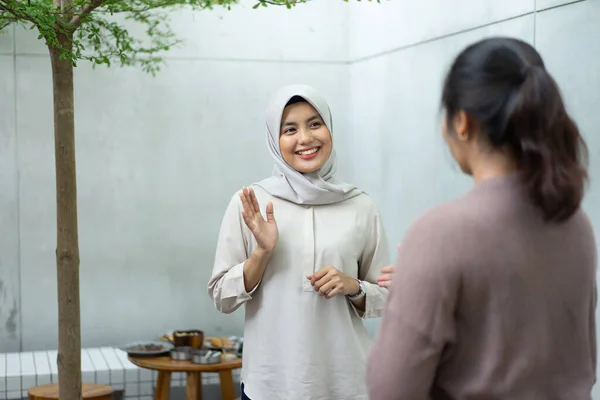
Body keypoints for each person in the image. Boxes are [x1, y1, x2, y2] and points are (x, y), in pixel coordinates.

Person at [367, 37, 597, 399]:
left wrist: (414, 297)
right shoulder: (575, 222)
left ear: (461, 122)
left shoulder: (440, 234)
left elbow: (390, 389)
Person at [208, 84, 390, 400]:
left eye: (315, 124)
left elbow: (388, 297)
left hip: (346, 383)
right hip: (271, 383)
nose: (305, 138)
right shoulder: (250, 203)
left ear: (329, 129)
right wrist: (262, 253)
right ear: (274, 140)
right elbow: (222, 297)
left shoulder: (361, 205)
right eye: (289, 129)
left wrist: (354, 286)